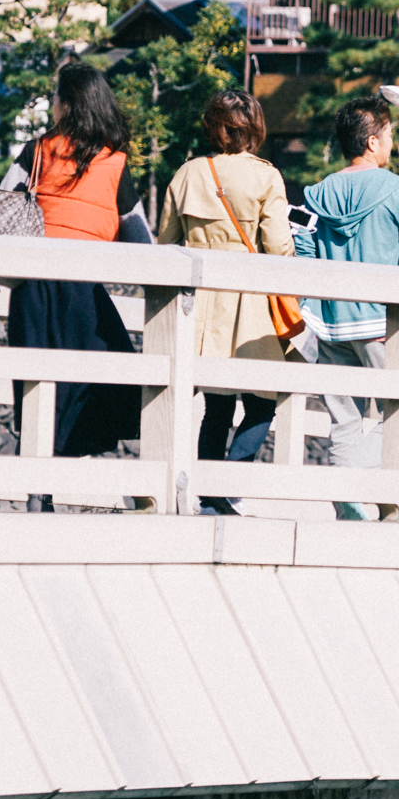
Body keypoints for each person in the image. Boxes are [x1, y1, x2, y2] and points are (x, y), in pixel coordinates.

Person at [0, 65, 147, 485]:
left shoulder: (36, 151)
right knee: (105, 377)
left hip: (33, 290)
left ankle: (38, 489)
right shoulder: (114, 163)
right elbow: (141, 239)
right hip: (84, 291)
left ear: (68, 105)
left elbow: (0, 216)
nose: (52, 105)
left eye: (56, 98)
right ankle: (62, 477)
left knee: (37, 383)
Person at [156, 90, 296, 515]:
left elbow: (165, 242)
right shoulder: (265, 176)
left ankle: (208, 492)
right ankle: (226, 485)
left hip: (200, 302)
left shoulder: (188, 173)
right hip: (249, 299)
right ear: (254, 128)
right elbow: (278, 246)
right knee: (262, 399)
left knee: (216, 405)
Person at [295, 94, 399, 485]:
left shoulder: (315, 195)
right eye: (390, 134)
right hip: (383, 325)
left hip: (330, 325)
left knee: (344, 420)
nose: (393, 143)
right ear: (372, 142)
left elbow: (304, 256)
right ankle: (355, 484)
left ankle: (348, 499)